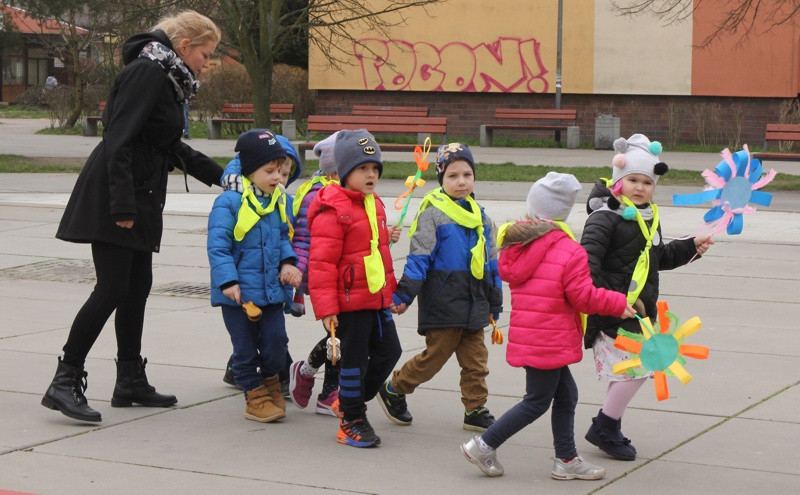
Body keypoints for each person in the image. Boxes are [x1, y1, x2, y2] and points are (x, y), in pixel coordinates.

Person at [43, 10, 224, 423]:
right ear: (184, 46)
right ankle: (64, 380)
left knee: (137, 286)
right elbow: (118, 138)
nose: (207, 63)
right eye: (206, 53)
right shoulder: (148, 73)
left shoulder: (168, 77)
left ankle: (129, 379)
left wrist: (225, 177)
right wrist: (122, 206)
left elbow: (167, 144)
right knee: (111, 288)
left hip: (138, 196)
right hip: (116, 195)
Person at [460, 172, 636, 479]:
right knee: (537, 401)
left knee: (566, 396)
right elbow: (583, 297)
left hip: (534, 336)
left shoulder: (518, 243)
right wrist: (618, 303)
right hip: (550, 339)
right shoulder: (568, 250)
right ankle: (484, 444)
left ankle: (565, 459)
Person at [580, 134, 713, 460]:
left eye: (647, 182)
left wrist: (691, 246)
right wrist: (607, 301)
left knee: (632, 370)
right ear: (618, 182)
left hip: (639, 313)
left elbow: (659, 257)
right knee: (639, 369)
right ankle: (606, 426)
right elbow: (587, 263)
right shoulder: (605, 218)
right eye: (632, 180)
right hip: (613, 311)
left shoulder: (648, 217)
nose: (640, 187)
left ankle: (607, 424)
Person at [377, 143, 503, 432]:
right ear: (441, 179)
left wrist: (494, 302)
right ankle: (395, 387)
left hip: (475, 301)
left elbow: (492, 264)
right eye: (453, 176)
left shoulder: (482, 218)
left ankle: (475, 408)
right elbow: (419, 257)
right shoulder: (432, 213)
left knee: (476, 362)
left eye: (467, 174)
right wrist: (404, 294)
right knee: (434, 358)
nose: (461, 182)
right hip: (444, 300)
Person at [307, 129, 403, 447]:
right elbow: (321, 265)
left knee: (391, 350)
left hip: (373, 296)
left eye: (375, 168)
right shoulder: (332, 208)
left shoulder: (373, 204)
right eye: (363, 168)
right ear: (345, 172)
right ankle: (351, 420)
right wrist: (327, 309)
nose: (371, 174)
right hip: (349, 300)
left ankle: (349, 404)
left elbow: (377, 252)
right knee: (354, 360)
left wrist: (390, 292)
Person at [207, 129, 302, 422]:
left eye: (281, 172)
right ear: (250, 171)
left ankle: (271, 382)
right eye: (269, 171)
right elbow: (218, 246)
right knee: (245, 350)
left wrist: (288, 263)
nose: (277, 178)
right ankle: (254, 394)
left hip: (271, 291)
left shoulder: (277, 202)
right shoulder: (229, 203)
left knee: (276, 343)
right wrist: (228, 281)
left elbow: (283, 237)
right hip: (238, 296)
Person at [287, 132, 344, 417]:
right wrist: (300, 272)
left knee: (344, 335)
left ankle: (315, 378)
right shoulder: (316, 196)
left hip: (347, 277)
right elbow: (304, 239)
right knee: (339, 334)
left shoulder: (352, 193)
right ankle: (323, 387)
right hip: (325, 276)